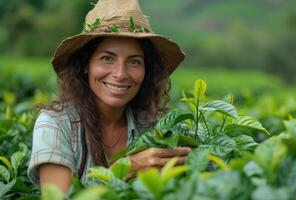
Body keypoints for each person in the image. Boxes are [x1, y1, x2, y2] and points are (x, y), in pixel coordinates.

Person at [27, 0, 190, 193]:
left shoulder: (152, 127)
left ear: (147, 70)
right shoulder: (55, 124)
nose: (120, 74)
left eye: (134, 62)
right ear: (86, 64)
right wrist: (126, 169)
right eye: (107, 58)